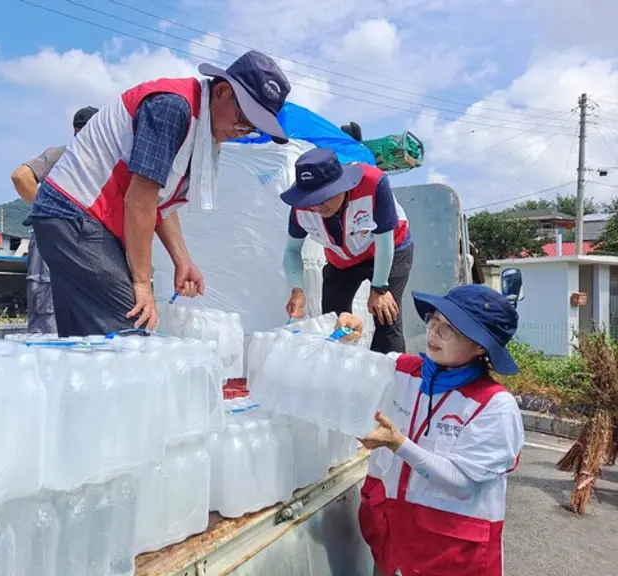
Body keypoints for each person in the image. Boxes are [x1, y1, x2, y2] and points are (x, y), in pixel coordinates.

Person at [28, 50, 291, 337]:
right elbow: (139, 200)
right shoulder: (172, 107)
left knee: (88, 344)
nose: (243, 130)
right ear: (223, 91)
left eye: (252, 127)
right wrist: (142, 284)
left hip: (72, 219)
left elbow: (159, 201)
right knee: (129, 330)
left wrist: (182, 260)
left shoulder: (198, 124)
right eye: (243, 118)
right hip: (76, 215)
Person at [336, 284, 524, 576]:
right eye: (434, 320)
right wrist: (350, 339)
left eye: (449, 329)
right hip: (391, 547)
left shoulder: (495, 406)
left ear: (480, 346)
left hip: (450, 559)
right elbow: (353, 368)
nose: (434, 332)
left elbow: (462, 482)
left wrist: (400, 444)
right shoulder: (401, 370)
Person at [280, 147, 413, 354]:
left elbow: (385, 239)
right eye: (311, 200)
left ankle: (389, 376)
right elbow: (291, 251)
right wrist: (297, 290)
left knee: (385, 314)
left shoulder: (374, 184)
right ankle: (339, 373)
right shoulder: (300, 208)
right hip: (342, 259)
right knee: (333, 320)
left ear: (341, 186)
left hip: (389, 249)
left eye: (323, 197)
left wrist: (379, 289)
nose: (317, 207)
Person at [10, 106, 98, 334]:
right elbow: (21, 176)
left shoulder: (102, 164)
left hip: (84, 242)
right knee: (47, 316)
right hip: (54, 241)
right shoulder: (62, 156)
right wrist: (48, 212)